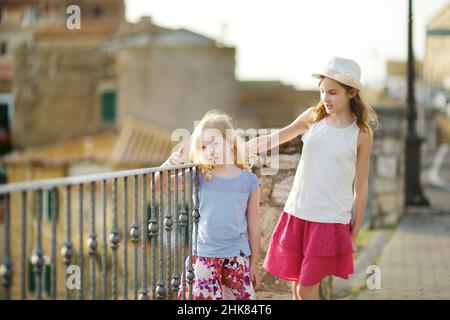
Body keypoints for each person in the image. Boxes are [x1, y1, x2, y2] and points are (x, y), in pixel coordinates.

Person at [246, 56, 377, 300]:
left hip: (329, 220)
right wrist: (234, 150)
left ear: (351, 93)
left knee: (306, 289)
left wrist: (355, 233)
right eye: (322, 92)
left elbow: (361, 188)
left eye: (333, 92)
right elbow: (273, 139)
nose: (325, 98)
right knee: (297, 288)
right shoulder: (312, 118)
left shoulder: (360, 135)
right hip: (299, 213)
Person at [157, 110, 261, 300]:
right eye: (204, 147)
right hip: (204, 256)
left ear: (230, 140)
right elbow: (159, 184)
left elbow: (254, 223)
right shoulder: (199, 176)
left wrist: (254, 263)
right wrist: (169, 163)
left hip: (237, 257)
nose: (210, 150)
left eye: (214, 142)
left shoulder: (249, 181)